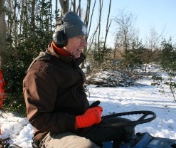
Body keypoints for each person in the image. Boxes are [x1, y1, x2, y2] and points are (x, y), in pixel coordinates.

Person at [23, 11, 134, 148]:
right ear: (61, 39)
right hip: (51, 132)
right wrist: (79, 121)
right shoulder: (42, 72)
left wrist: (88, 113)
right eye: (79, 38)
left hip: (77, 125)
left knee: (126, 127)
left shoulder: (70, 62)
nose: (85, 43)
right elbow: (39, 119)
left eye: (85, 38)